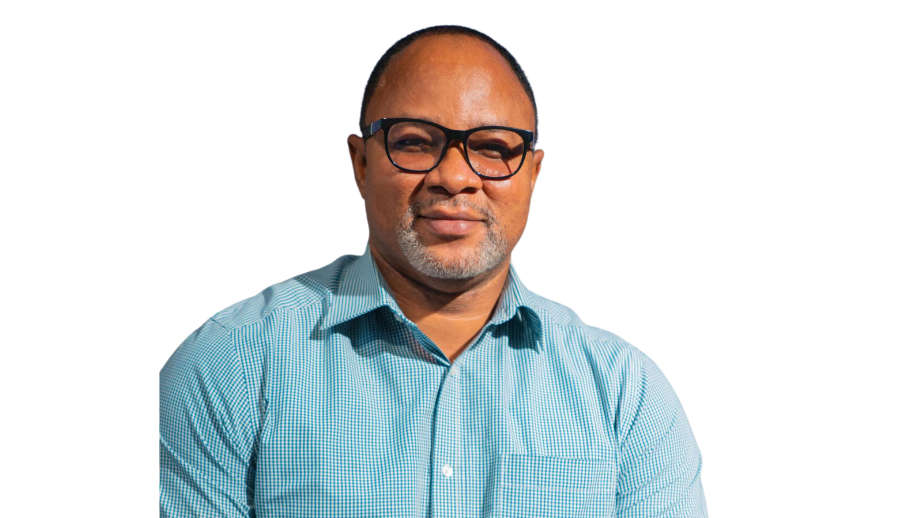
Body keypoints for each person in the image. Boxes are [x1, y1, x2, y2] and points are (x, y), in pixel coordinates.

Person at [160, 24, 707, 517]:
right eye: (415, 143)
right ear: (361, 163)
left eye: (492, 148)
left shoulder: (624, 394)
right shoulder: (231, 366)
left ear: (532, 174)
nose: (454, 177)